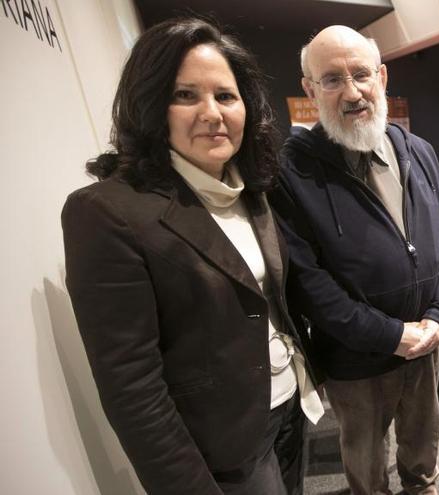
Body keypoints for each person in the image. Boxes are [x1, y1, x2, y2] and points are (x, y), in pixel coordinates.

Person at [61, 18, 323, 495]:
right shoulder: (105, 212)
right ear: (151, 105)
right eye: (186, 96)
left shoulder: (251, 189)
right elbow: (132, 388)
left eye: (225, 96)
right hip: (224, 447)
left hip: (291, 408)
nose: (212, 113)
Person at [269, 25, 439, 495]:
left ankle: (422, 488)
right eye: (332, 80)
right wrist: (389, 335)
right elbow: (307, 284)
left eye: (360, 75)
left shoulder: (418, 151)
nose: (352, 92)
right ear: (310, 90)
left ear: (382, 76)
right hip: (355, 357)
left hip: (426, 342)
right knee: (364, 456)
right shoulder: (290, 171)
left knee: (422, 442)